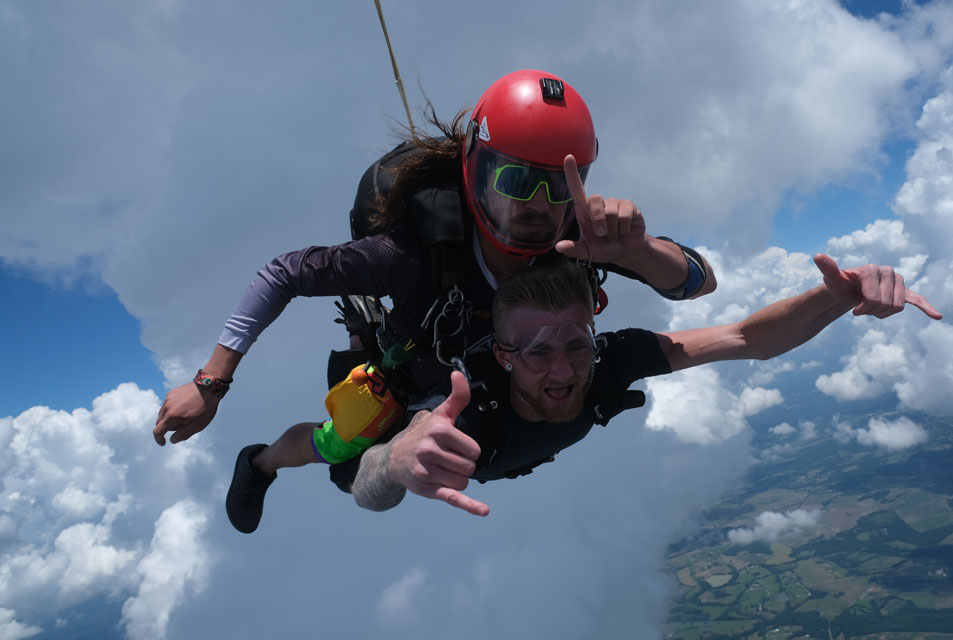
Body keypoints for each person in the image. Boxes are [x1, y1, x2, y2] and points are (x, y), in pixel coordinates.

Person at [151, 69, 718, 533]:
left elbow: (697, 282)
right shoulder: (408, 254)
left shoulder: (577, 238)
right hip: (414, 366)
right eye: (517, 181)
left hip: (501, 364)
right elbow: (282, 274)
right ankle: (260, 462)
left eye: (557, 185)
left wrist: (638, 250)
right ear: (476, 168)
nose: (538, 206)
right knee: (343, 457)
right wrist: (210, 384)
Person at [348, 255, 942, 516]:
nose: (563, 370)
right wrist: (396, 462)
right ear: (503, 356)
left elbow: (745, 338)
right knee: (334, 453)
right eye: (537, 352)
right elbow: (367, 485)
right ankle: (261, 461)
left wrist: (834, 297)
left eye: (576, 344)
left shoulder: (614, 357)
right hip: (396, 410)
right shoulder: (464, 402)